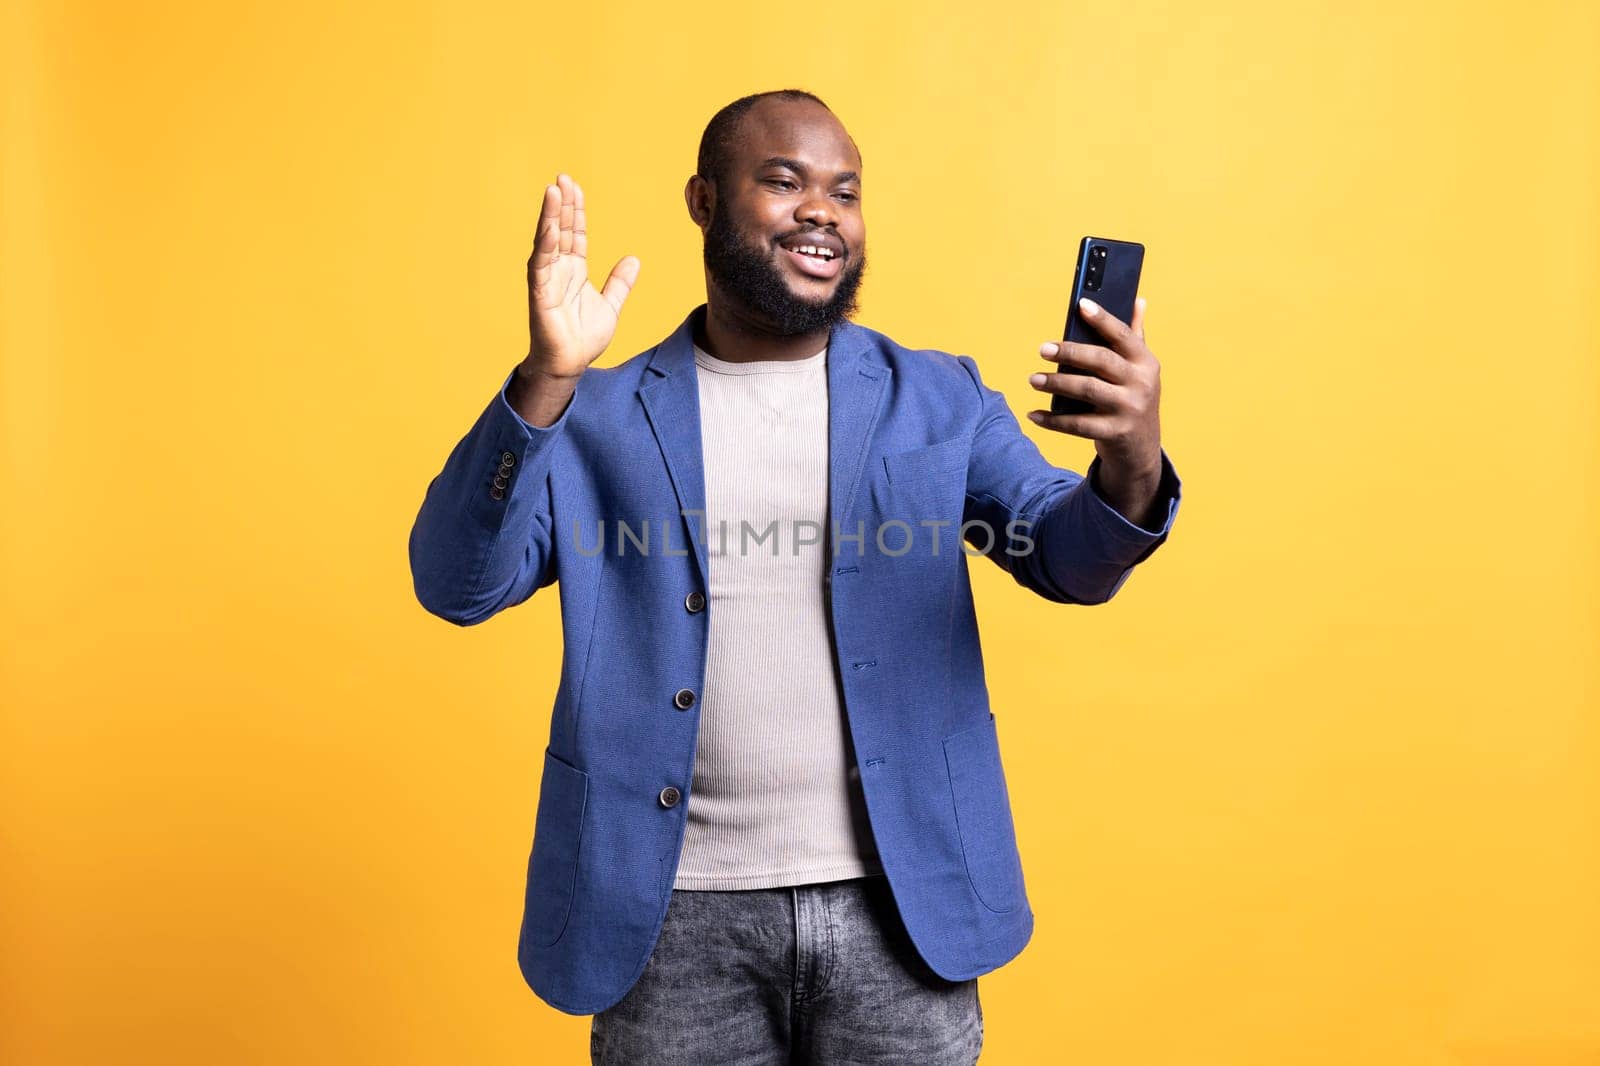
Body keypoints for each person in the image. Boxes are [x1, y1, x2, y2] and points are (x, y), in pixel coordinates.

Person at [408, 89, 1182, 1065]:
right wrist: (546, 381)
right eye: (783, 181)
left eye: (844, 191)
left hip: (900, 912)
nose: (821, 208)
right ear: (703, 200)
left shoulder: (939, 398)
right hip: (668, 920)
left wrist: (1131, 461)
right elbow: (455, 582)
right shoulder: (595, 416)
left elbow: (1068, 559)